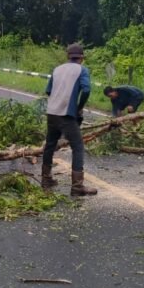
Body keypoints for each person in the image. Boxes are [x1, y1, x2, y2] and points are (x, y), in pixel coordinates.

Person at [41, 43, 97, 196]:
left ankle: (46, 179)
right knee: (78, 147)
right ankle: (77, 187)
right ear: (82, 58)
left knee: (50, 145)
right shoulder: (82, 70)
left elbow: (48, 90)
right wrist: (79, 107)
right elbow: (86, 89)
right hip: (66, 115)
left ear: (68, 56)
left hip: (52, 112)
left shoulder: (57, 69)